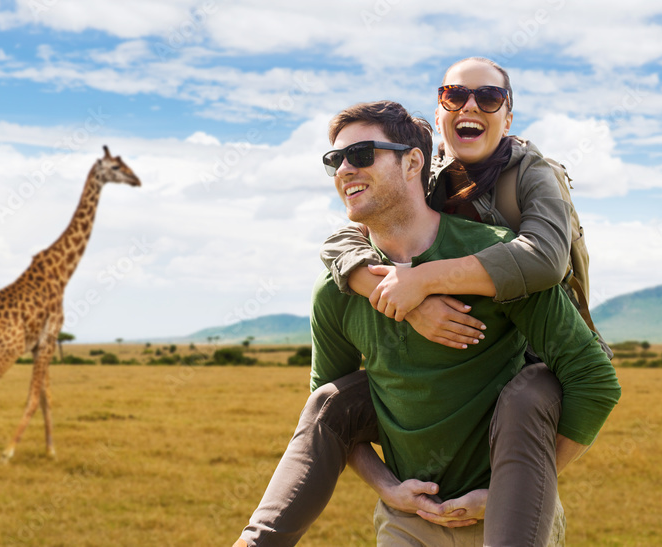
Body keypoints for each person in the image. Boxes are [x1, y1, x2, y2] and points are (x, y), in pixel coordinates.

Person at [234, 99, 620, 546]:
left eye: (361, 155)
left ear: (414, 161)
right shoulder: (337, 290)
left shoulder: (495, 259)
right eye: (334, 160)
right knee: (328, 399)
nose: (344, 169)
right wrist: (388, 489)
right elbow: (336, 418)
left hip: (508, 519)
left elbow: (595, 380)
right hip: (406, 523)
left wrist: (507, 493)